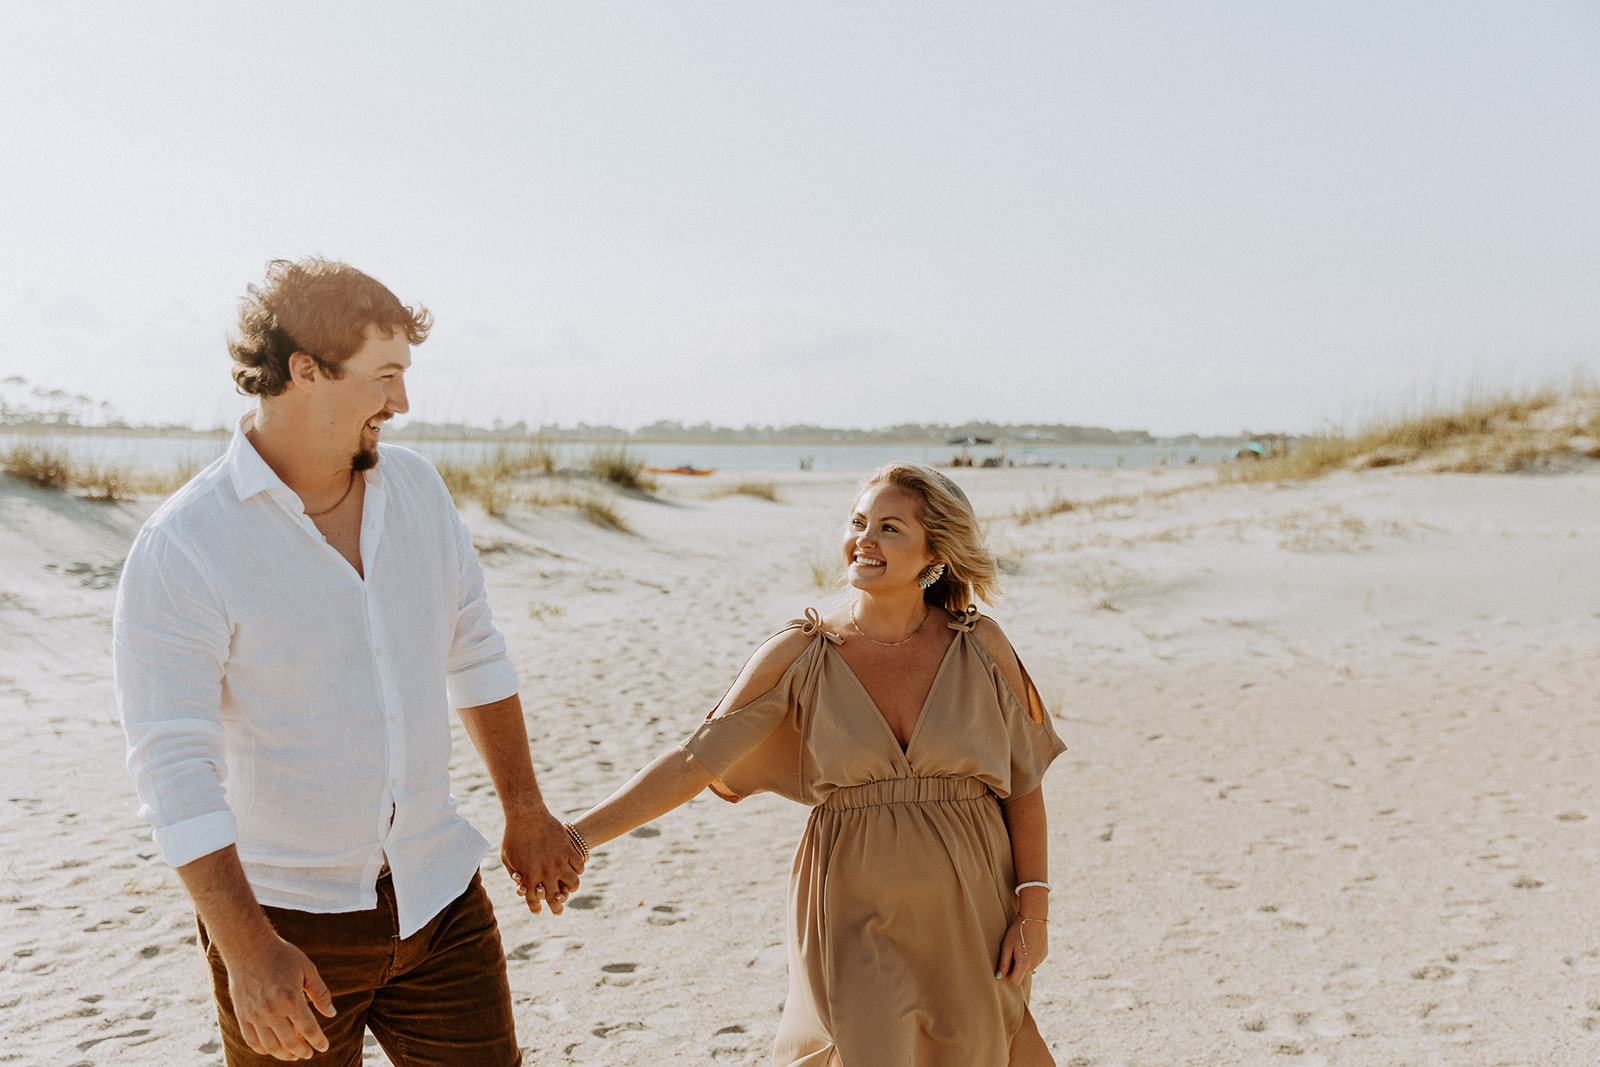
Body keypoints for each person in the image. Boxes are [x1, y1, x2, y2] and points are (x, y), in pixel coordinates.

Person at [113, 258, 583, 1064]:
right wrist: (247, 951)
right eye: (386, 375)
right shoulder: (186, 545)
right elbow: (175, 771)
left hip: (440, 900)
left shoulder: (420, 493)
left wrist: (524, 806)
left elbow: (475, 649)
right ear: (304, 369)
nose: (401, 403)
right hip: (284, 925)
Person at [571, 463, 1067, 1066]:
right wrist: (578, 837)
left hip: (974, 906)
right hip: (850, 904)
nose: (865, 539)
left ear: (935, 549)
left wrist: (1033, 913)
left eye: (889, 527)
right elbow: (693, 761)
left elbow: (1023, 787)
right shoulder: (800, 652)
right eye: (858, 522)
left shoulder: (981, 645)